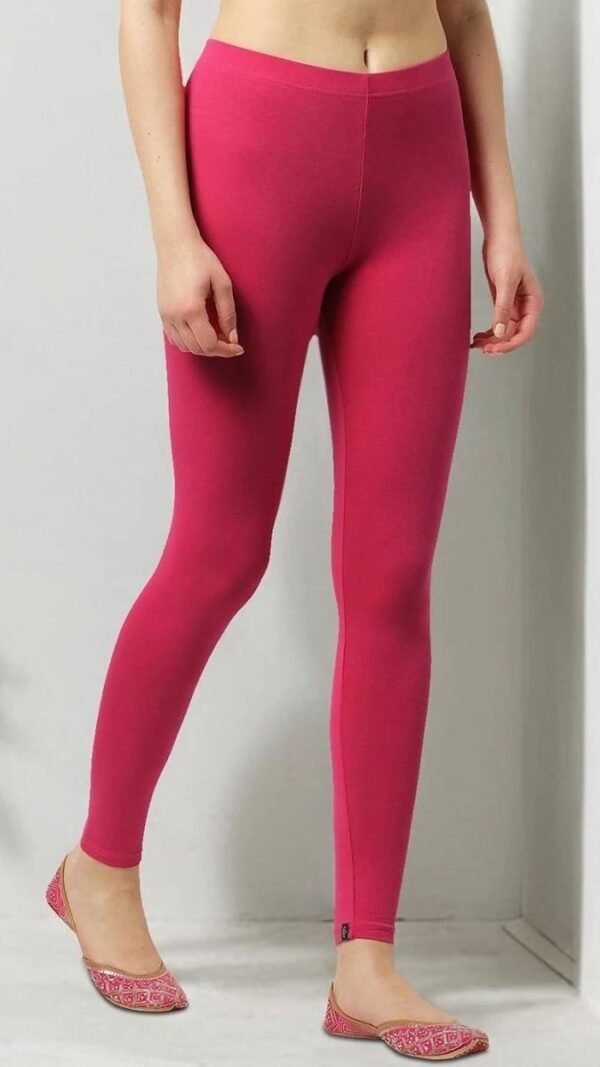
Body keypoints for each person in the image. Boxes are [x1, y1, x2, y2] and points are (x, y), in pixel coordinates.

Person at [46, 0, 542, 1052]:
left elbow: (465, 14)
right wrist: (174, 235)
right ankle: (100, 866)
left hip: (421, 156)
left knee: (392, 576)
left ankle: (368, 962)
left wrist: (499, 213)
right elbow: (148, 14)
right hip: (258, 143)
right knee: (219, 550)